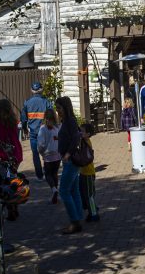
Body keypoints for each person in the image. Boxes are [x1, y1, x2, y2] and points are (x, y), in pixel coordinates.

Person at [54, 96, 85, 234]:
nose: (58, 111)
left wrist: (67, 153)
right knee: (74, 190)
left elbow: (76, 137)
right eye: (57, 108)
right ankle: (78, 218)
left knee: (64, 191)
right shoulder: (66, 121)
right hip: (69, 160)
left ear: (65, 107)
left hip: (71, 160)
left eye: (59, 108)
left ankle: (75, 221)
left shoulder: (70, 121)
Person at [0, 99, 23, 220]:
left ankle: (10, 208)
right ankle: (15, 206)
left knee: (4, 181)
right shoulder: (13, 121)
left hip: (1, 155)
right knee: (12, 178)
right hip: (15, 154)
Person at [22, 81, 53, 181]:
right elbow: (51, 116)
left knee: (35, 154)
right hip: (45, 132)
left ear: (32, 90)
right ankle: (48, 172)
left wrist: (24, 129)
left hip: (33, 133)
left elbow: (23, 118)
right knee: (47, 153)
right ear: (41, 89)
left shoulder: (27, 102)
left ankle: (39, 175)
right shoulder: (46, 101)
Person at [37, 108, 61, 204]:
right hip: (57, 155)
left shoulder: (43, 129)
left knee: (47, 175)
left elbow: (41, 144)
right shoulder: (57, 128)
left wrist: (41, 152)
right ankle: (55, 190)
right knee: (55, 174)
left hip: (48, 156)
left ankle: (53, 189)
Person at [78, 123, 100, 222]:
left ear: (88, 134)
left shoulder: (86, 141)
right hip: (83, 172)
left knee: (89, 195)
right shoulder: (83, 140)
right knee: (85, 193)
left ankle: (94, 213)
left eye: (82, 131)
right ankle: (93, 208)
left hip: (88, 173)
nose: (80, 133)